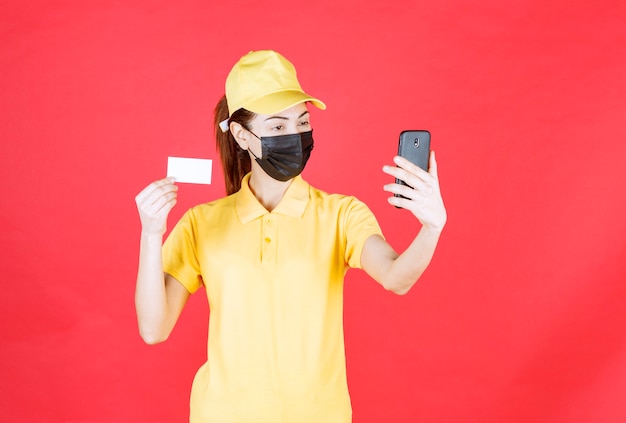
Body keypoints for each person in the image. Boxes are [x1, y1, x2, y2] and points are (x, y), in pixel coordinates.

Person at [134, 50, 446, 423]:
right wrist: (151, 234)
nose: (295, 136)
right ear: (241, 135)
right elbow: (154, 328)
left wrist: (432, 226)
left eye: (302, 122)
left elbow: (397, 277)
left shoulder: (340, 214)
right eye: (278, 127)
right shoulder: (202, 224)